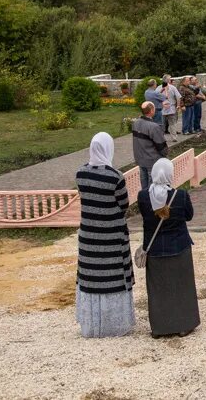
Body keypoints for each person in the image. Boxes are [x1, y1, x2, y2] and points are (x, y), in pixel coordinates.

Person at [74, 132, 135, 338]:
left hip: (89, 235)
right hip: (111, 235)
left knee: (91, 277)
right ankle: (115, 325)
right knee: (114, 277)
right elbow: (124, 204)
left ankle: (92, 324)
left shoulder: (80, 174)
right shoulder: (115, 177)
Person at [137, 157, 200, 337]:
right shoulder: (179, 196)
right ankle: (183, 324)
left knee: (158, 289)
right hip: (179, 247)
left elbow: (146, 216)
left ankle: (159, 327)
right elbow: (188, 216)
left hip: (155, 249)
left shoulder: (143, 197)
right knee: (182, 287)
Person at [132, 101, 167, 189]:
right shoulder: (154, 127)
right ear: (151, 111)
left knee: (144, 186)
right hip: (152, 161)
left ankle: (144, 201)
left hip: (140, 159)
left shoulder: (135, 123)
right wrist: (165, 155)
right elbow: (161, 146)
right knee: (153, 187)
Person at [160, 75, 181, 141]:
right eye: (169, 79)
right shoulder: (160, 88)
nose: (170, 80)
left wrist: (178, 105)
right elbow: (178, 97)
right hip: (163, 108)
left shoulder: (172, 87)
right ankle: (164, 137)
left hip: (170, 107)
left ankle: (173, 137)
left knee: (171, 123)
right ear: (166, 80)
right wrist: (178, 105)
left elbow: (178, 97)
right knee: (165, 124)